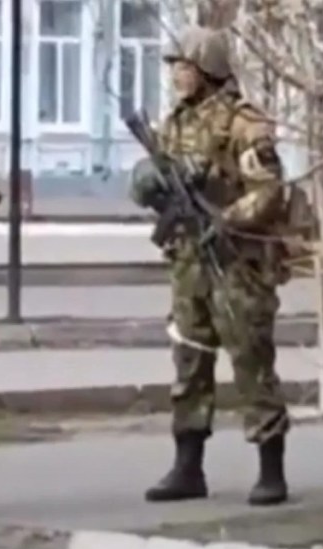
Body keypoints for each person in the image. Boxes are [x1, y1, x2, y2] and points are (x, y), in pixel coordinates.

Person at [129, 26, 290, 506]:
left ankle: (271, 467)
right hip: (189, 261)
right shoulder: (176, 122)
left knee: (251, 363)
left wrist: (226, 218)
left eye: (185, 66)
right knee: (189, 360)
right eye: (176, 66)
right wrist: (149, 183)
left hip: (236, 262)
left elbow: (269, 190)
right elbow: (149, 185)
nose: (178, 75)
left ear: (208, 70)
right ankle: (187, 467)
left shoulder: (243, 124)